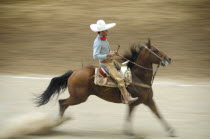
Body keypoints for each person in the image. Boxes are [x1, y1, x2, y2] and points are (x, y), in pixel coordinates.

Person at [90, 19, 138, 104]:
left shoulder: (104, 39)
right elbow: (95, 56)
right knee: (119, 79)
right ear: (101, 31)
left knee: (124, 68)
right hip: (106, 64)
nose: (107, 31)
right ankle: (126, 98)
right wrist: (107, 55)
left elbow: (105, 51)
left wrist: (112, 52)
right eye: (105, 30)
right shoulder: (98, 42)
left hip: (110, 61)